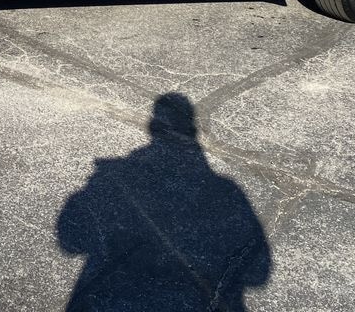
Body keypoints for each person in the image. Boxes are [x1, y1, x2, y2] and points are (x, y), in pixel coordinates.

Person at [57, 92, 271, 311]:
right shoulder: (227, 191)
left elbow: (71, 241)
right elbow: (258, 274)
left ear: (153, 127)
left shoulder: (119, 175)